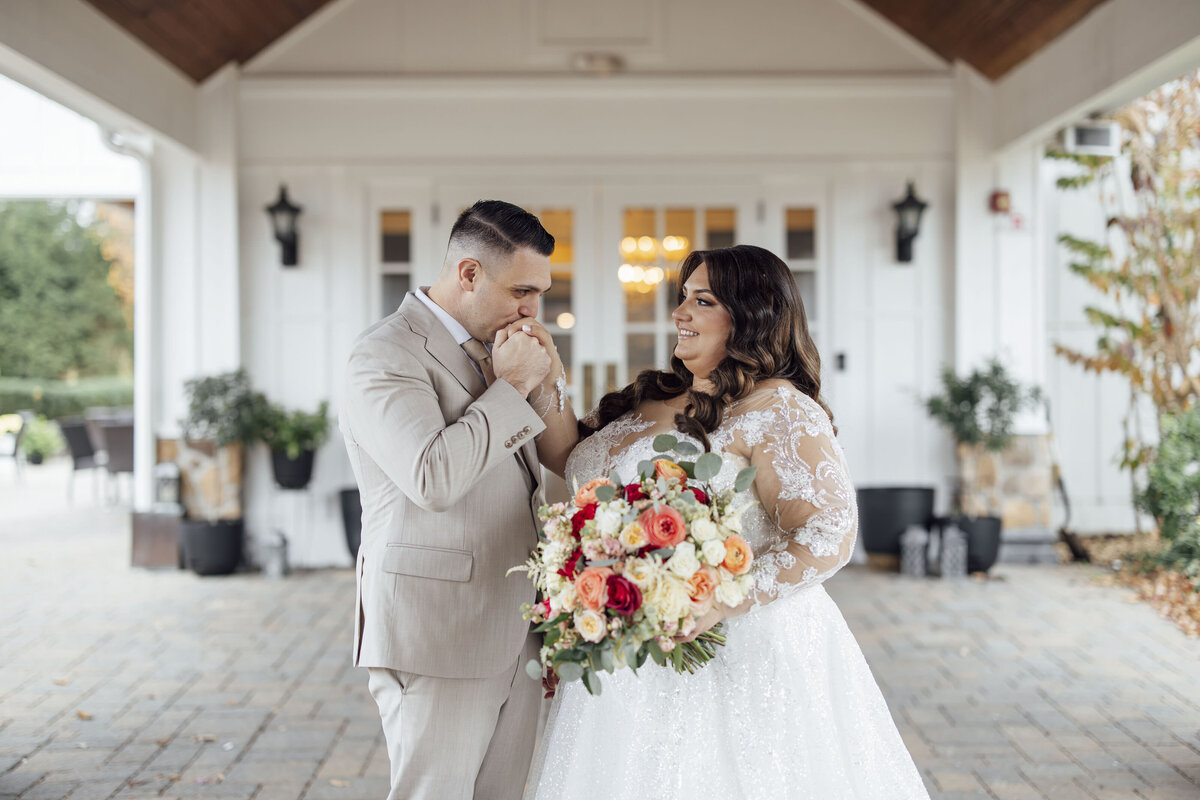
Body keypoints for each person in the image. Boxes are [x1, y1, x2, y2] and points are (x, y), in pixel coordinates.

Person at [523, 245, 932, 799]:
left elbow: (829, 532)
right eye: (683, 299)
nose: (680, 314)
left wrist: (718, 599)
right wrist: (546, 370)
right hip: (634, 651)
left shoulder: (780, 410)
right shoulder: (656, 398)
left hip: (739, 652)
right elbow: (570, 456)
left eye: (703, 301)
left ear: (751, 316)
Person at [340, 200, 574, 800]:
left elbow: (561, 457)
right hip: (436, 627)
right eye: (522, 291)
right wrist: (513, 384)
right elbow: (433, 477)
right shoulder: (384, 354)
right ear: (468, 273)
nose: (532, 310)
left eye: (540, 293)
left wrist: (543, 378)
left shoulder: (503, 346)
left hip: (516, 622)